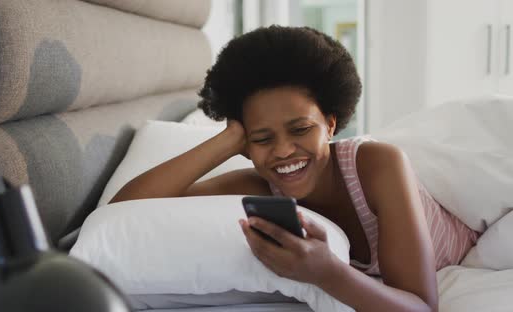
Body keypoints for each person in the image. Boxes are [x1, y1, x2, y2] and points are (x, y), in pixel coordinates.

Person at [110, 26, 479, 312]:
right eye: (263, 137)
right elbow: (125, 211)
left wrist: (328, 272)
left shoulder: (379, 164)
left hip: (470, 241)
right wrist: (226, 140)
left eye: (301, 129)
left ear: (331, 125)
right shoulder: (257, 186)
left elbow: (421, 306)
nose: (284, 151)